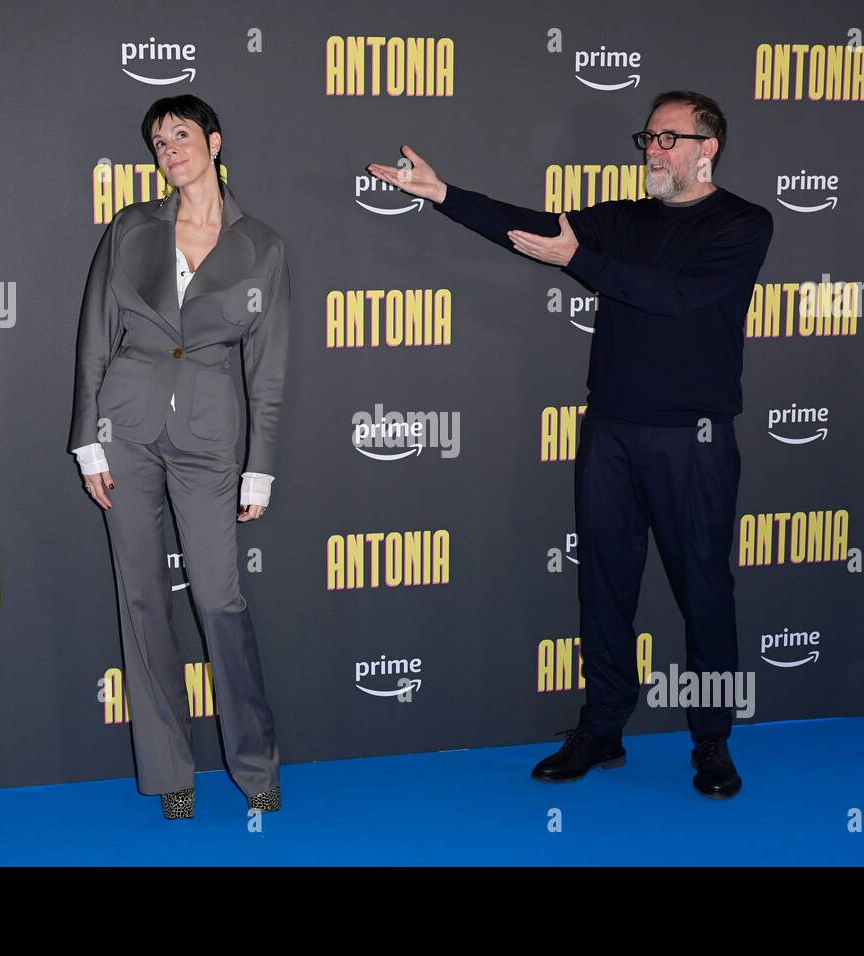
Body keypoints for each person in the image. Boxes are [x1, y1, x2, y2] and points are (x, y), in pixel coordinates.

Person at [367, 91, 773, 798]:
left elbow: (674, 295)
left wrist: (583, 261)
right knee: (604, 586)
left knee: (705, 592)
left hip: (694, 439)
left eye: (668, 139)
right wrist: (442, 195)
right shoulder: (622, 219)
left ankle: (712, 740)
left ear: (708, 148)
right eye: (647, 137)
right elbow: (529, 226)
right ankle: (603, 726)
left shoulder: (743, 224)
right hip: (611, 430)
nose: (653, 150)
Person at [69, 94, 290, 819]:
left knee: (220, 599)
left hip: (208, 437)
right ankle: (171, 774)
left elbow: (269, 364)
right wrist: (86, 438)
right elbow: (96, 335)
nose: (170, 150)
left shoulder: (262, 244)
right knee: (141, 601)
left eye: (182, 135)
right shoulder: (130, 227)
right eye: (159, 142)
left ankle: (255, 761)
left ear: (216, 142)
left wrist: (260, 463)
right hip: (125, 428)